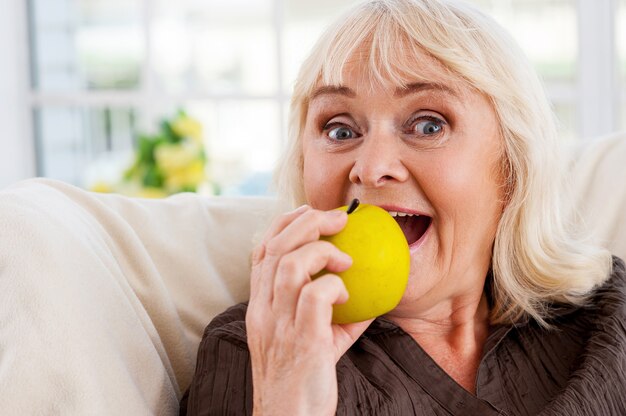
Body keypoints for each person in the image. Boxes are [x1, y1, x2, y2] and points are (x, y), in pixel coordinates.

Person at [180, 0, 626, 414]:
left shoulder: (609, 317)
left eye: (428, 124)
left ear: (511, 166)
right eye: (339, 130)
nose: (371, 169)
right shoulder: (259, 352)